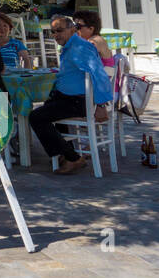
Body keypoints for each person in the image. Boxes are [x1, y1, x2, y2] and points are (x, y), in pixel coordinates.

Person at [29, 16, 113, 175]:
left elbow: (98, 75)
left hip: (78, 101)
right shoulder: (70, 46)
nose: (55, 35)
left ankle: (73, 158)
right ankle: (66, 154)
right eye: (53, 32)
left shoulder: (81, 47)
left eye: (59, 31)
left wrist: (101, 105)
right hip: (67, 97)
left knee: (36, 117)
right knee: (48, 110)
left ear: (73, 30)